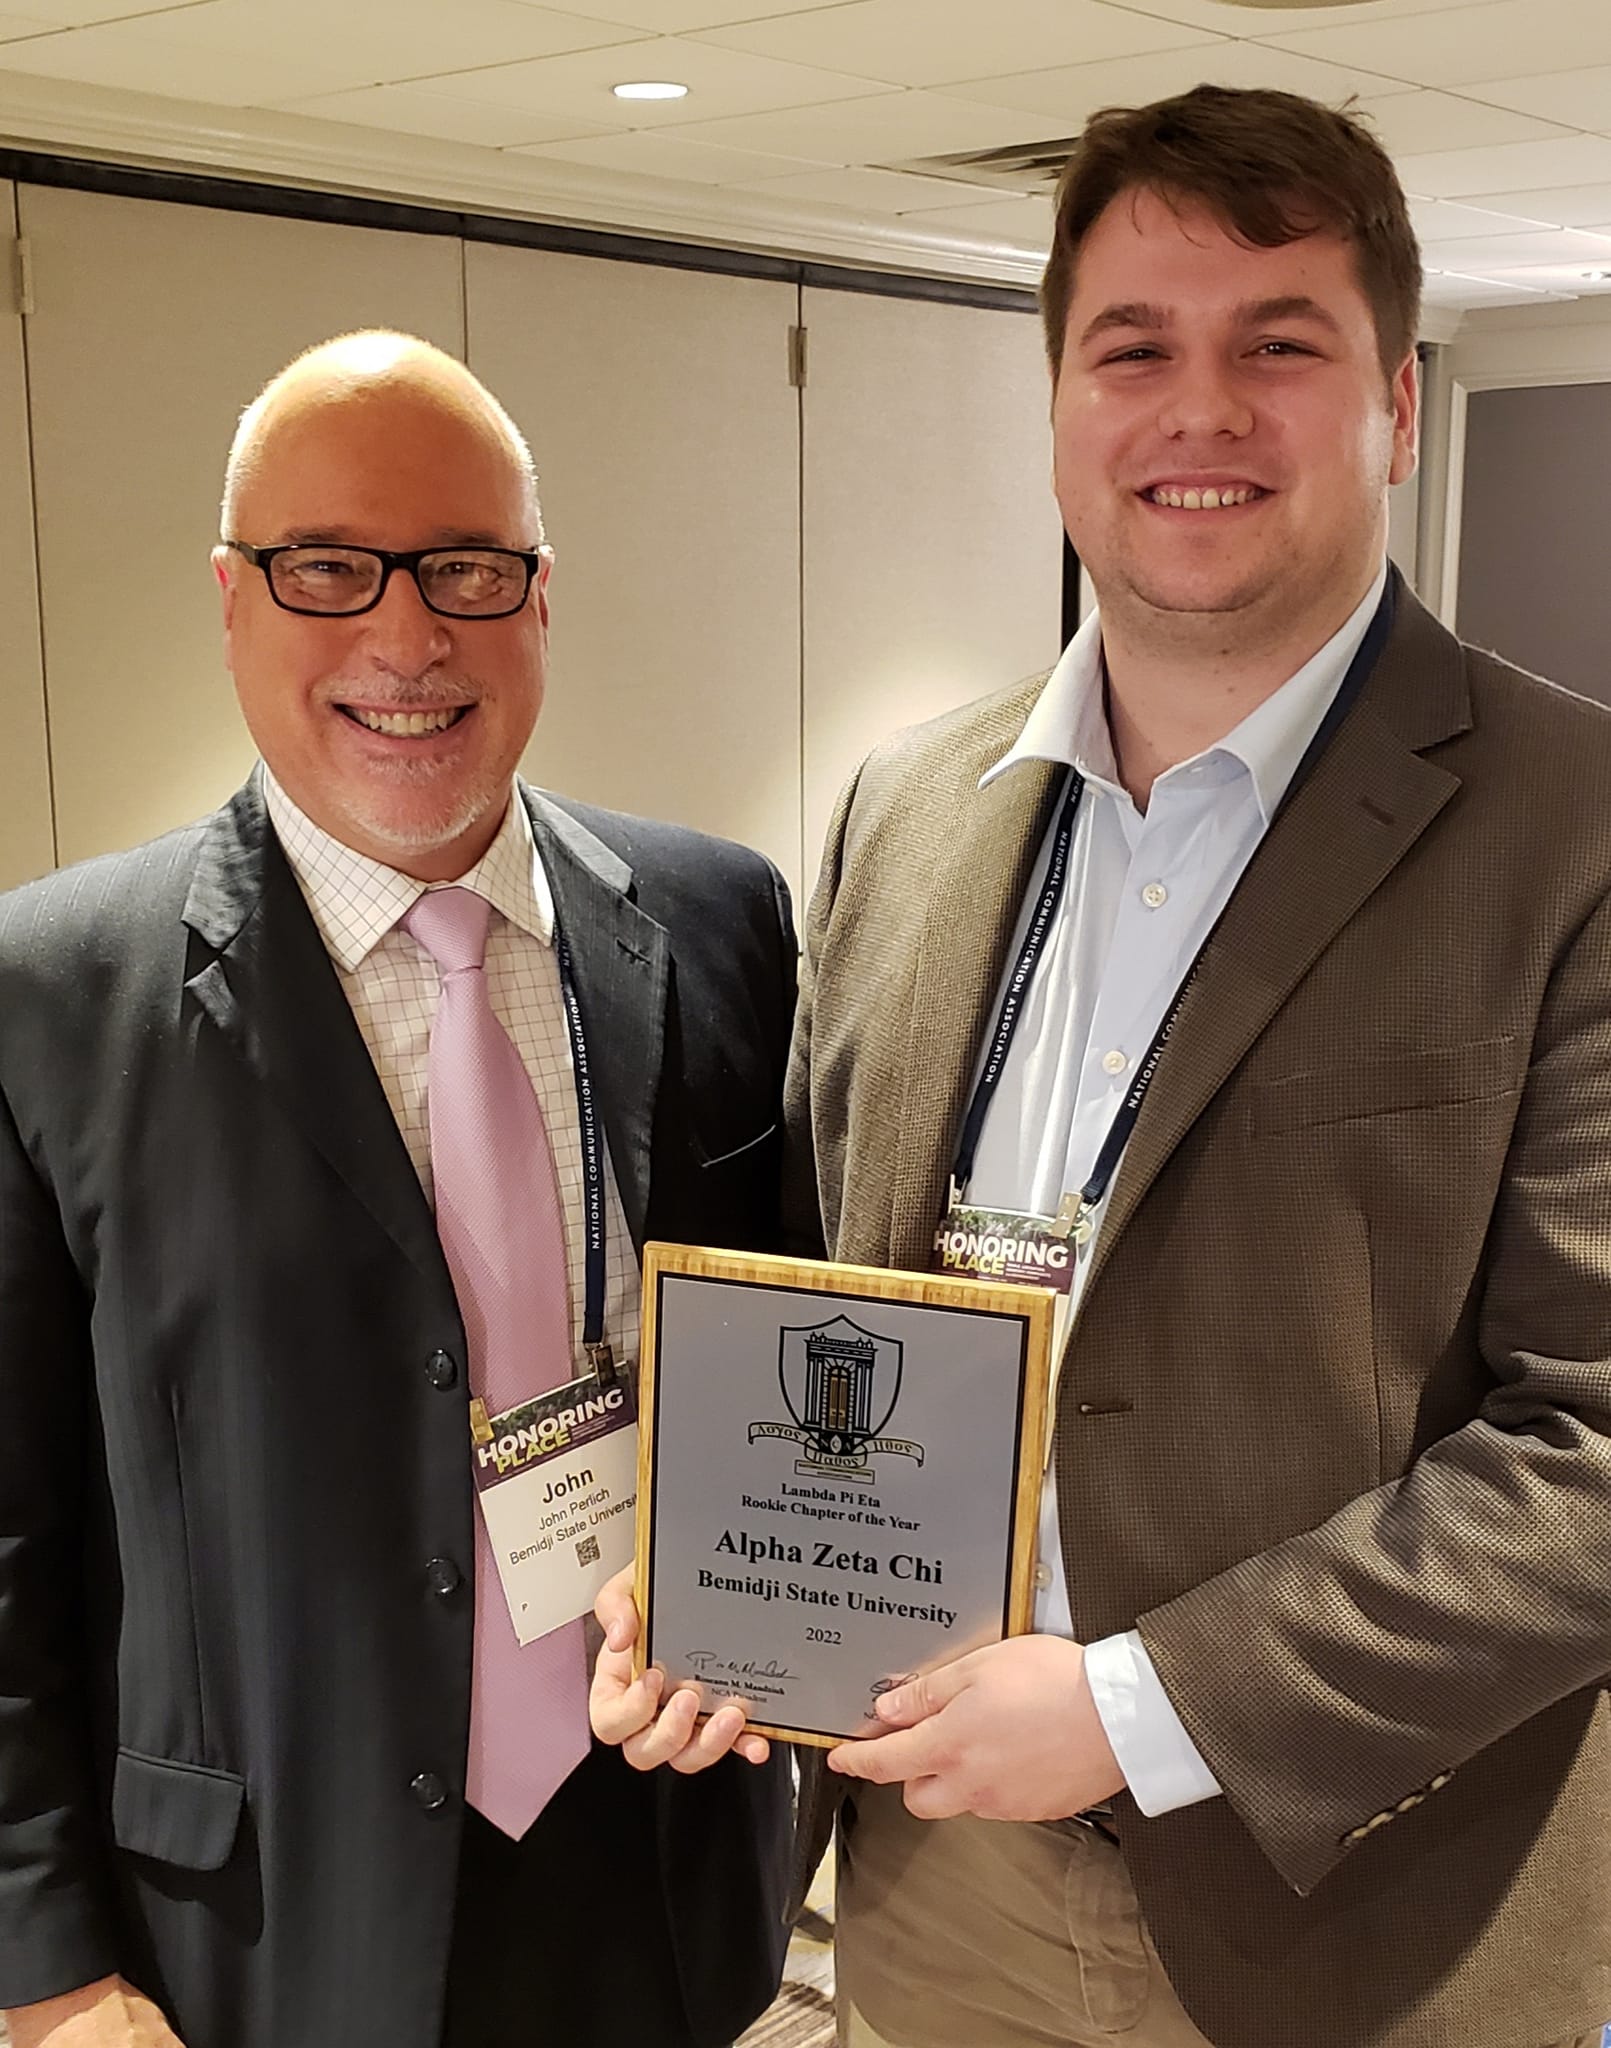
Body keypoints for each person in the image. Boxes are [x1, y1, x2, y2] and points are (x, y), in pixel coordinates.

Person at [592, 86, 1611, 2048]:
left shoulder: (1572, 830)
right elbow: (819, 1289)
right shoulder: (906, 806)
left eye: (1275, 346)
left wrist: (1133, 1709)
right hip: (929, 1872)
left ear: (1393, 399)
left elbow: (1592, 1448)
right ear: (1055, 403)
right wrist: (695, 1589)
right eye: (1129, 348)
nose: (1195, 412)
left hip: (1363, 1907)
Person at [0, 331, 795, 2048]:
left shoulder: (723, 917)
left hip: (658, 1852)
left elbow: (774, 1362)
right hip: (262, 1929)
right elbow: (7, 1542)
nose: (407, 633)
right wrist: (46, 1975)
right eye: (329, 568)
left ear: (539, 596)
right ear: (231, 598)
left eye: (466, 568)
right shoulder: (53, 994)